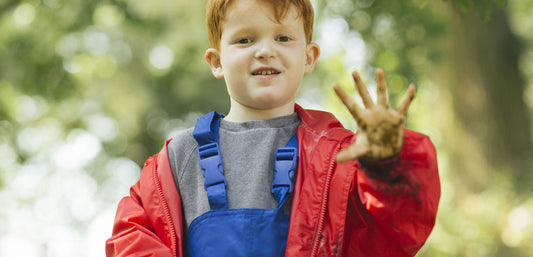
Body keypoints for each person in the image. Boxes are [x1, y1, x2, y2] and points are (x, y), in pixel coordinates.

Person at [105, 0, 441, 256]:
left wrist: (387, 164)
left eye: (283, 37)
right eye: (245, 40)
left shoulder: (341, 157)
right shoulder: (176, 159)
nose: (266, 51)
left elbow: (395, 230)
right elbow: (131, 236)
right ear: (217, 61)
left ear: (309, 57)